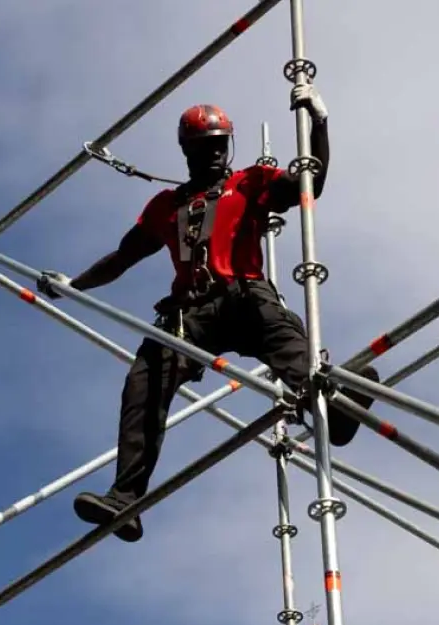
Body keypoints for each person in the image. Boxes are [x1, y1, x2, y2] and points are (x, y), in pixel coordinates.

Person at [36, 89, 381, 543]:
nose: (218, 153)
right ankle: (126, 498)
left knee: (291, 351)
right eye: (208, 147)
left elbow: (308, 183)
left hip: (245, 295)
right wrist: (74, 286)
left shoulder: (250, 183)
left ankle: (335, 410)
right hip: (191, 312)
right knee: (145, 381)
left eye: (223, 144)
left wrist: (320, 123)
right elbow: (123, 256)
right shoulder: (166, 207)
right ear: (189, 151)